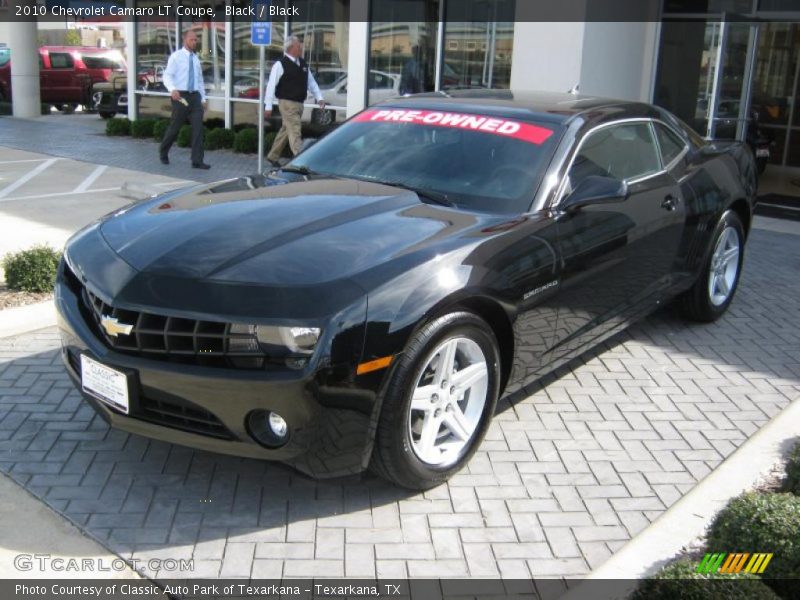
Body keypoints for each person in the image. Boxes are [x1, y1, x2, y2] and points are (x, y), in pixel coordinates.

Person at [264, 36, 327, 168]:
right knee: (295, 130)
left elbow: (311, 82)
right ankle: (300, 162)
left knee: (286, 129)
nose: (301, 48)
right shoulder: (280, 64)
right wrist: (268, 106)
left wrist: (319, 97)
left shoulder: (303, 64)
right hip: (287, 103)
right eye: (299, 46)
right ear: (291, 48)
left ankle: (272, 156)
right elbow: (271, 85)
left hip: (299, 103)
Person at [160, 30, 210, 169]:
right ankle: (163, 151)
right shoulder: (176, 57)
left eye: (195, 40)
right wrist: (172, 89)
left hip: (195, 97)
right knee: (175, 127)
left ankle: (197, 160)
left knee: (198, 129)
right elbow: (167, 76)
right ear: (185, 40)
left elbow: (199, 80)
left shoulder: (196, 59)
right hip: (180, 96)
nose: (194, 42)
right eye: (192, 40)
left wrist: (203, 98)